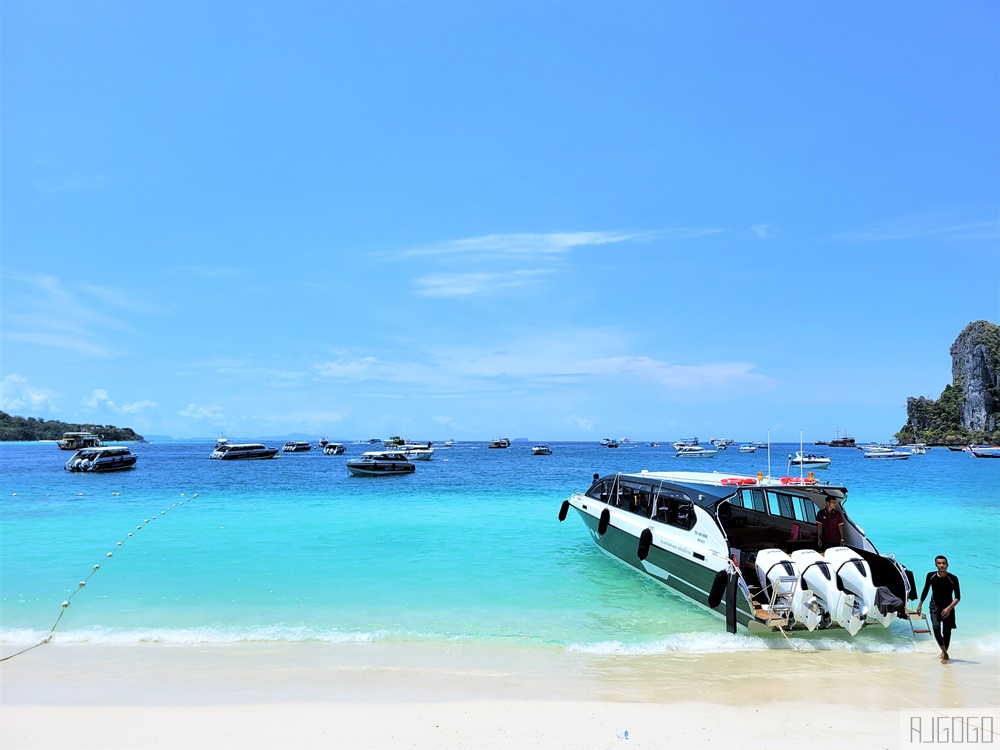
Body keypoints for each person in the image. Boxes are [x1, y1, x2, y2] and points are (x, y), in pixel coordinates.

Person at [917, 555, 961, 664]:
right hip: (935, 606)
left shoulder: (953, 578)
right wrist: (920, 604)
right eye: (939, 563)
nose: (942, 565)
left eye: (943, 563)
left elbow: (957, 597)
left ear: (947, 565)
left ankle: (944, 652)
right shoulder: (931, 576)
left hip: (948, 608)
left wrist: (949, 608)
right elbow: (926, 590)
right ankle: (945, 653)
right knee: (936, 627)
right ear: (936, 565)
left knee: (947, 632)